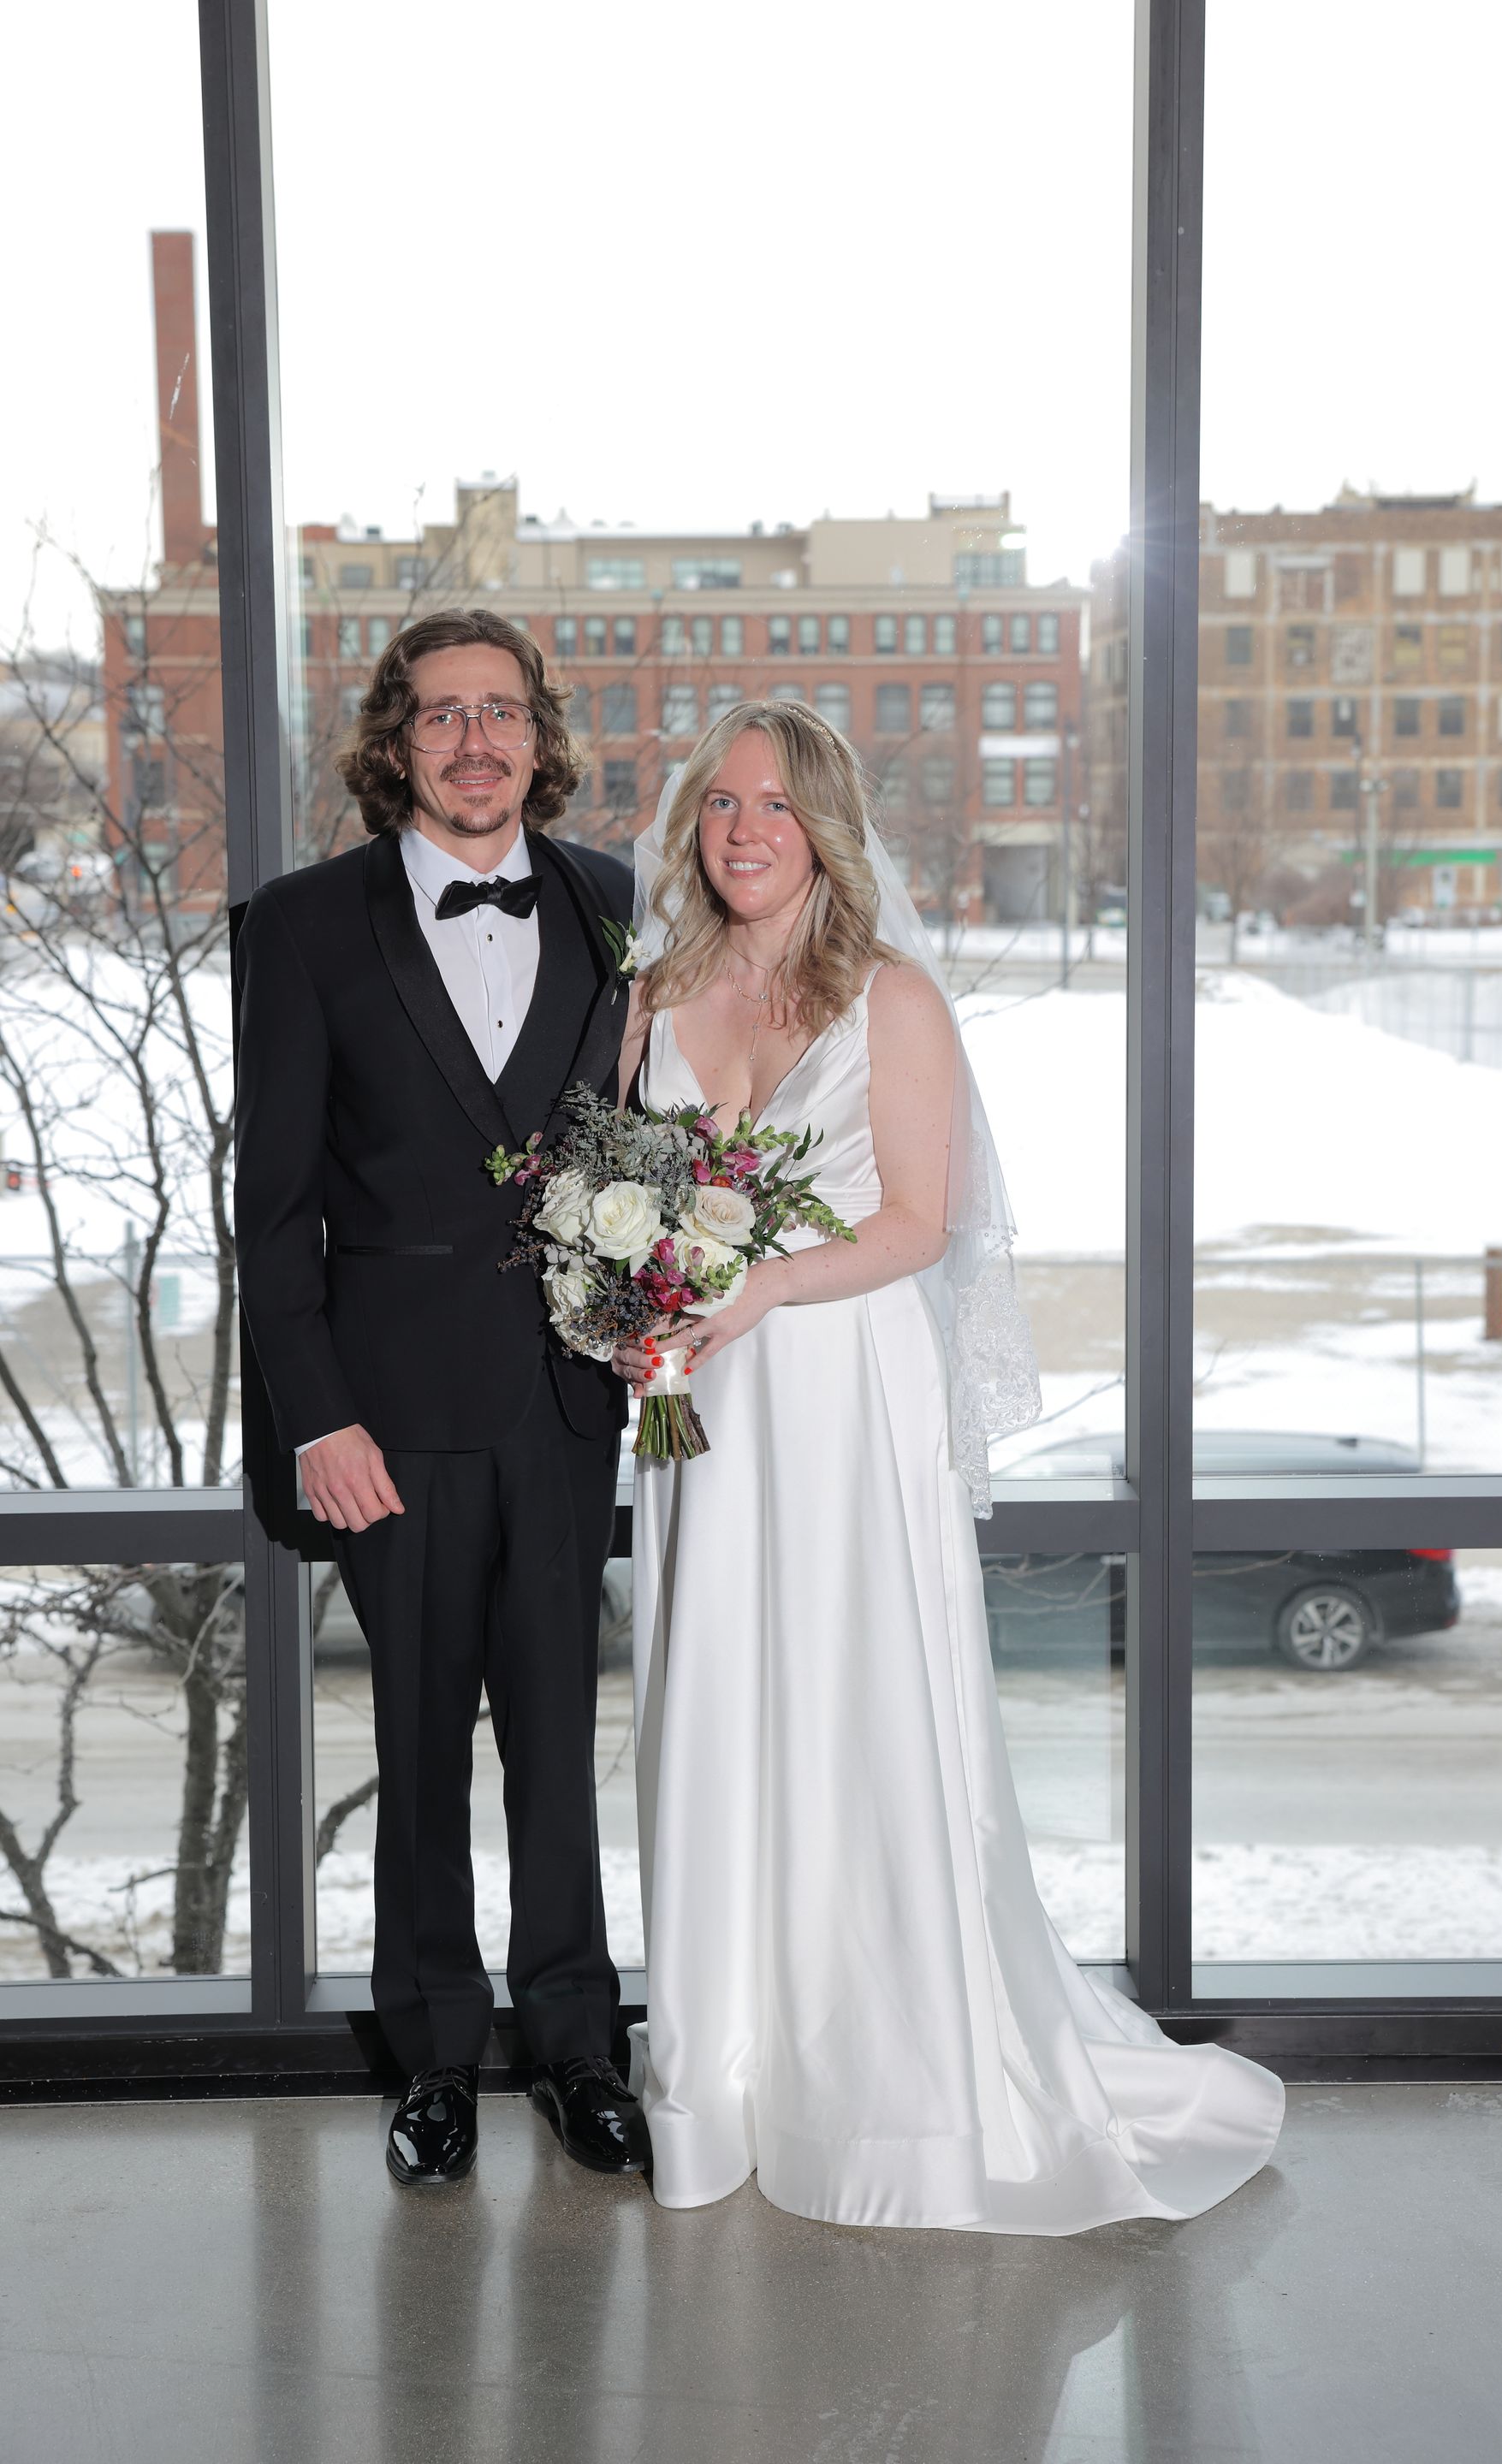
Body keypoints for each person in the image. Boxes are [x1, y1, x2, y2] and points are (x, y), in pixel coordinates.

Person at [614, 702, 1284, 2232]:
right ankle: (724, 2071)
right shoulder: (650, 1000)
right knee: (715, 1705)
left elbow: (919, 1221)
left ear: (825, 826)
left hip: (849, 1389)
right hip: (706, 1419)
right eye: (719, 804)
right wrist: (630, 1303)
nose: (743, 830)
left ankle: (900, 2083)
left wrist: (767, 1283)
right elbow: (628, 1198)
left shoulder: (892, 999)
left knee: (860, 1702)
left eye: (775, 803)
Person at [235, 607, 650, 2189]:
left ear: (539, 736)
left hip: (562, 1400)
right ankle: (431, 2058)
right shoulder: (301, 925)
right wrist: (315, 1412)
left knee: (559, 1746)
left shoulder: (615, 903)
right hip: (385, 1423)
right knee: (421, 1752)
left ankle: (578, 2048)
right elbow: (272, 1208)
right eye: (438, 716)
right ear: (393, 743)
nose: (473, 742)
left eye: (500, 712)